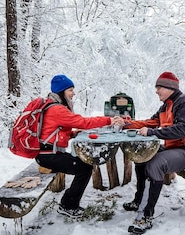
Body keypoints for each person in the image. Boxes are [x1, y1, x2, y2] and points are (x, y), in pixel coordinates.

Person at [123, 72, 185, 234]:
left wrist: (151, 133)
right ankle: (139, 200)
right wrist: (126, 124)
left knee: (155, 164)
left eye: (159, 87)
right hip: (175, 148)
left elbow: (182, 130)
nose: (156, 91)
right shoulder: (166, 105)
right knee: (142, 157)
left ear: (170, 88)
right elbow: (151, 123)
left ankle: (145, 216)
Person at [36, 74, 124, 219]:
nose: (73, 93)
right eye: (70, 90)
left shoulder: (53, 106)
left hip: (47, 153)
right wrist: (109, 120)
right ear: (61, 91)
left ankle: (68, 202)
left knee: (83, 165)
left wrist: (72, 134)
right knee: (84, 168)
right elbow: (82, 122)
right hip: (48, 156)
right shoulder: (57, 109)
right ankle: (68, 205)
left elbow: (53, 131)